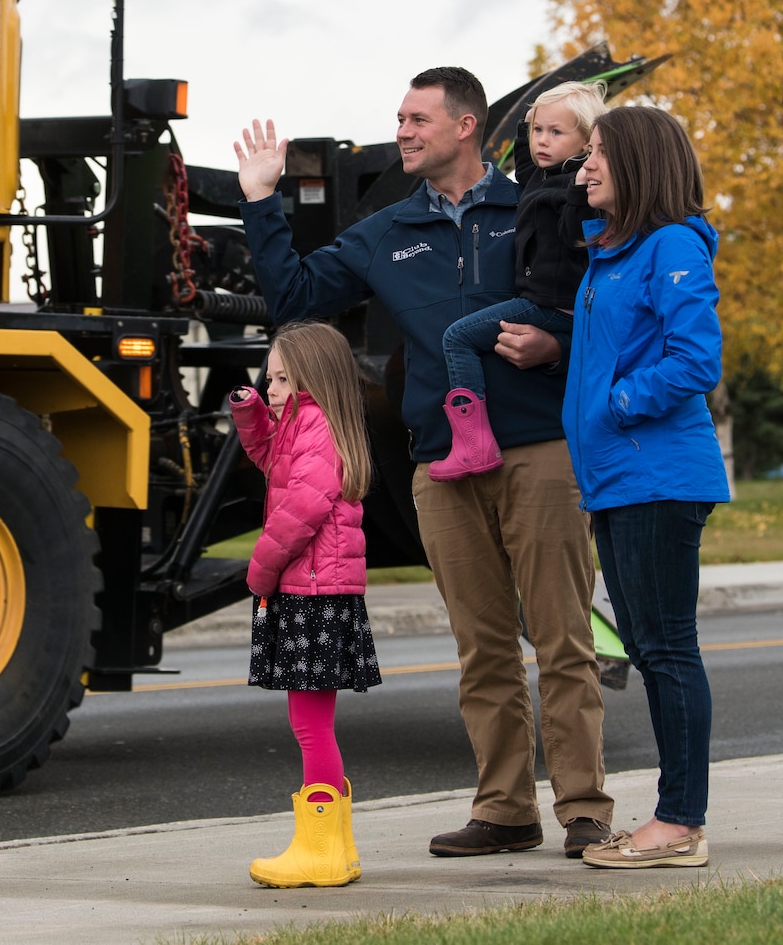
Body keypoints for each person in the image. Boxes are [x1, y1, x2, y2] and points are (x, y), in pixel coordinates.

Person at [235, 67, 615, 860]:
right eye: (400, 118)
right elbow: (297, 299)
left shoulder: (539, 203)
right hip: (441, 463)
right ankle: (506, 808)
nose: (402, 130)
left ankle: (584, 808)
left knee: (562, 640)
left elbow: (605, 305)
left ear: (467, 126)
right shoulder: (387, 232)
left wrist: (557, 342)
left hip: (541, 450)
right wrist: (262, 199)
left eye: (416, 119)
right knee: (482, 648)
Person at [565, 105, 730, 870]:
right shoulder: (612, 254)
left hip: (658, 476)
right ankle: (676, 816)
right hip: (618, 479)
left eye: (597, 153)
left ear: (637, 162)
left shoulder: (671, 245)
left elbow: (697, 360)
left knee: (666, 648)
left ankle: (679, 821)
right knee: (649, 646)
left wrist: (620, 403)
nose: (583, 166)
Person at [229, 320, 378, 889]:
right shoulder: (306, 423)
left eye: (282, 380)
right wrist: (251, 413)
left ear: (313, 380)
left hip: (313, 591)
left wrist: (261, 570)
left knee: (309, 726)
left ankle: (320, 851)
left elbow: (301, 511)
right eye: (269, 378)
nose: (270, 388)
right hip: (322, 591)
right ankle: (336, 846)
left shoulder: (315, 427)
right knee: (313, 723)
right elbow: (272, 459)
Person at [434, 81, 606, 478]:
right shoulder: (544, 177)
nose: (542, 141)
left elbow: (581, 232)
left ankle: (473, 445)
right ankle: (473, 442)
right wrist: (523, 126)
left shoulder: (576, 186)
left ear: (585, 144)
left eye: (556, 132)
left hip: (550, 304)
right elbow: (528, 167)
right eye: (538, 131)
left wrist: (580, 193)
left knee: (457, 338)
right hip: (546, 301)